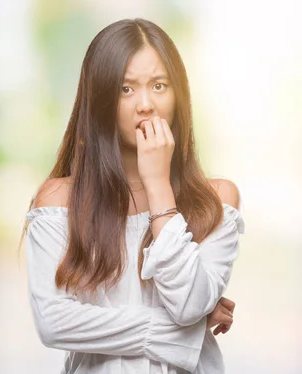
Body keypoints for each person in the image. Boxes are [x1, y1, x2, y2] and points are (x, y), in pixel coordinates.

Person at [20, 18, 245, 374]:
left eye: (159, 85)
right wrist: (187, 332)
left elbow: (189, 304)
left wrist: (158, 187)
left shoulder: (216, 199)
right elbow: (53, 322)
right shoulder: (58, 201)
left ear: (179, 95)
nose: (145, 105)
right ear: (101, 100)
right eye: (126, 89)